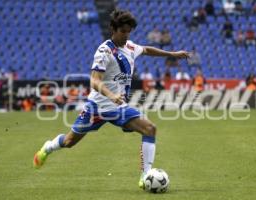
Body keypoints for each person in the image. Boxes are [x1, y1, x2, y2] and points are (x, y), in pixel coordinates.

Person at [33, 9, 191, 189]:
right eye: (123, 31)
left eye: (129, 31)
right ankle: (48, 147)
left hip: (119, 108)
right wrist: (111, 95)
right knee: (69, 142)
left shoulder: (130, 47)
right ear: (113, 29)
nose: (126, 35)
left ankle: (145, 175)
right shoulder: (104, 51)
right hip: (98, 107)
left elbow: (146, 49)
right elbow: (94, 80)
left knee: (150, 129)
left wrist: (172, 54)